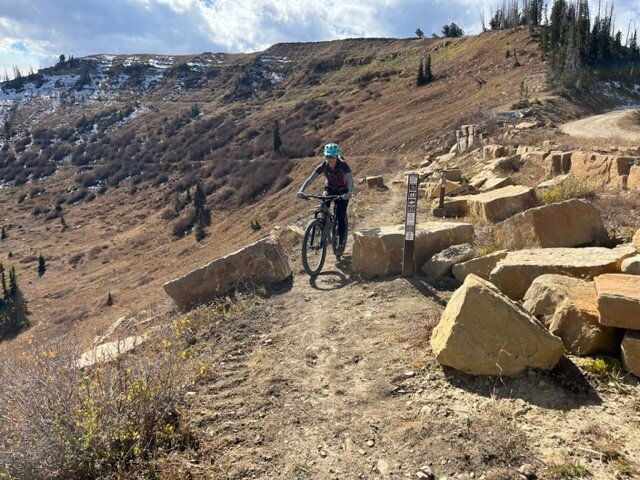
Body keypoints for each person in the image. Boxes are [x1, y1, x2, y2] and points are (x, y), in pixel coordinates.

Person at [297, 143, 354, 254]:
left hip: (343, 190)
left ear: (337, 156)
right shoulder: (324, 165)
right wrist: (301, 190)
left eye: (332, 157)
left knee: (340, 215)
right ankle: (324, 227)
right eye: (327, 157)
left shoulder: (343, 166)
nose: (330, 159)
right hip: (330, 188)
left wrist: (349, 193)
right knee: (323, 205)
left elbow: (351, 181)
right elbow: (310, 179)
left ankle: (341, 242)